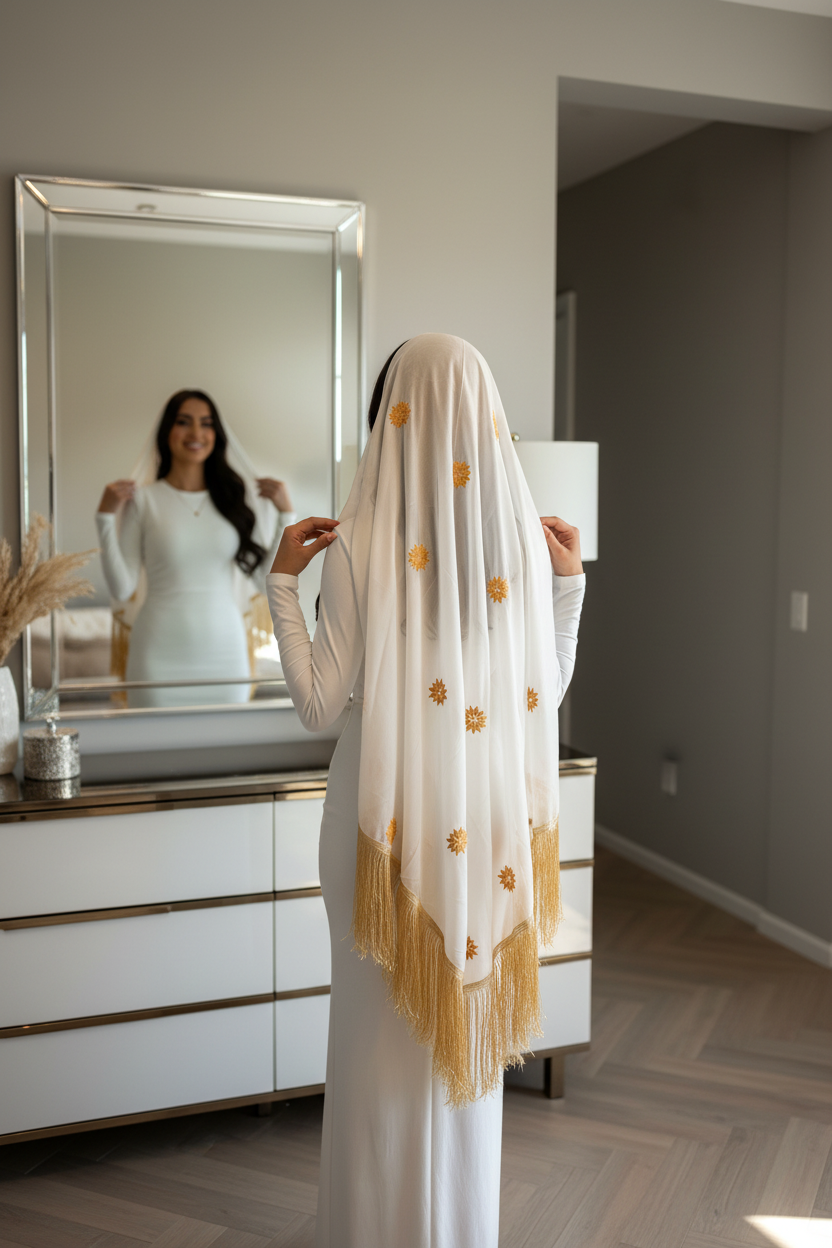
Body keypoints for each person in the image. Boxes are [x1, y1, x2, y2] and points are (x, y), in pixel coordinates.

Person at [267, 335, 586, 1248]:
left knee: (371, 1041)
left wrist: (282, 583)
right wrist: (568, 587)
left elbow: (320, 706)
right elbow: (545, 698)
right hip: (480, 829)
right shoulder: (521, 550)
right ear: (488, 420)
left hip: (376, 832)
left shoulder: (355, 544)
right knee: (465, 1058)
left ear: (388, 418)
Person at [96, 389, 295, 707]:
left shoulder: (234, 500)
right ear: (167, 432)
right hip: (157, 655)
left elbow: (263, 581)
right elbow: (123, 588)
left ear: (217, 433)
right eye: (184, 422)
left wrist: (287, 516)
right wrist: (105, 517)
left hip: (225, 653)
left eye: (206, 423)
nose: (196, 433)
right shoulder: (144, 501)